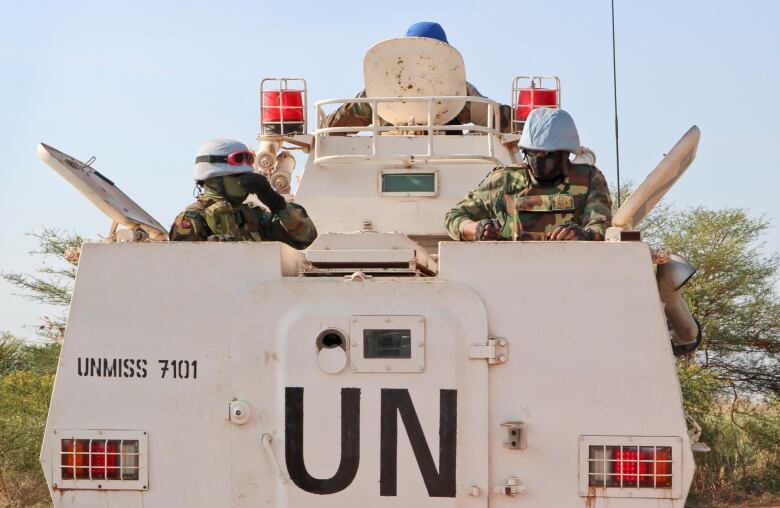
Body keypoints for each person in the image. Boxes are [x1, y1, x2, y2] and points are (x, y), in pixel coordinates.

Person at [445, 108, 612, 241]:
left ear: (565, 153)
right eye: (533, 153)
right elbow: (454, 217)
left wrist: (584, 235)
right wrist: (477, 229)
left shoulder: (589, 180)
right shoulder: (505, 181)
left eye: (548, 154)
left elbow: (601, 227)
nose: (540, 158)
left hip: (571, 272)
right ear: (525, 152)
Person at [324, 22, 512, 132]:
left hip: (386, 157)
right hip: (450, 161)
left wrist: (320, 131)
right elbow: (498, 120)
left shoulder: (379, 91)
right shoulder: (460, 93)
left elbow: (336, 125)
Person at [169, 138, 317, 248]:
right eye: (238, 177)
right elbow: (183, 271)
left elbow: (306, 238)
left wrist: (276, 202)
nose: (246, 184)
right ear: (214, 179)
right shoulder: (193, 220)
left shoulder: (254, 216)